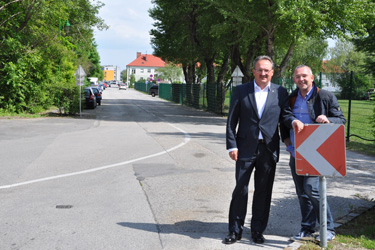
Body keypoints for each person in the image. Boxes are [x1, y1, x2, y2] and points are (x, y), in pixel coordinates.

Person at [225, 55, 304, 244]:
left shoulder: (280, 92)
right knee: (241, 189)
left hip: (268, 150)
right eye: (259, 69)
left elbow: (285, 115)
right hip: (244, 148)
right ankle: (235, 230)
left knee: (263, 190)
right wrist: (232, 145)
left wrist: (293, 121)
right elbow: (231, 121)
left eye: (266, 70)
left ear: (272, 72)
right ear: (253, 71)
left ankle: (257, 230)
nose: (263, 73)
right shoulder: (241, 91)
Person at [281, 65, 346, 242]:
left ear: (312, 77)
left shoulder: (325, 96)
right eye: (297, 77)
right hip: (296, 153)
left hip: (317, 153)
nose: (301, 79)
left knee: (312, 189)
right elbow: (284, 118)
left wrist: (328, 119)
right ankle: (307, 228)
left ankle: (328, 228)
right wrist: (290, 129)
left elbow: (341, 120)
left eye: (304, 76)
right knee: (302, 192)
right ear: (294, 79)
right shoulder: (292, 98)